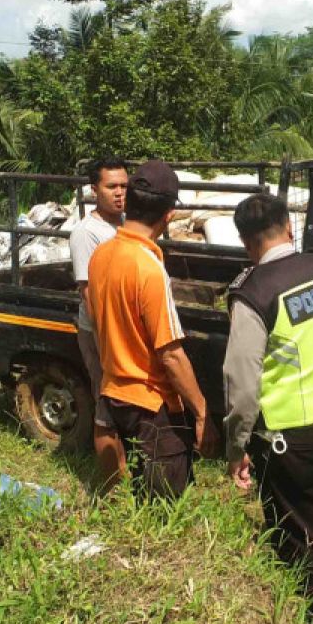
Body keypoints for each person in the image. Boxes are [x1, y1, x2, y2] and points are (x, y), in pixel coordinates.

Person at [224, 193, 313, 624]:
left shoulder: (253, 293)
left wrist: (237, 447)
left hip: (290, 432)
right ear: (289, 227)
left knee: (299, 524)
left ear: (245, 242)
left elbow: (241, 383)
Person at [86, 159, 218, 498]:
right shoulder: (148, 268)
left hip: (115, 393)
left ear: (128, 202)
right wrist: (202, 413)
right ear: (169, 215)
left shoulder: (101, 255)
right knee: (167, 505)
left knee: (135, 494)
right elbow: (171, 354)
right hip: (151, 404)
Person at [70, 157, 128, 489]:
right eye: (111, 187)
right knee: (106, 403)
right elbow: (88, 290)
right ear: (95, 191)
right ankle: (110, 482)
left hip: (122, 331)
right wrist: (108, 339)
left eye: (124, 186)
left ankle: (125, 466)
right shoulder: (86, 233)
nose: (119, 193)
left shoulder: (123, 225)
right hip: (101, 332)